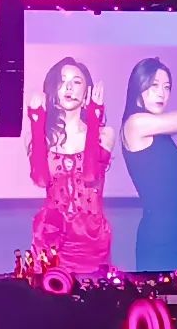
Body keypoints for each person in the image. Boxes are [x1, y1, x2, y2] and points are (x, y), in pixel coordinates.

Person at [26, 57, 115, 275]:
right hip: (51, 235)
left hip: (90, 238)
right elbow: (40, 179)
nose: (68, 87)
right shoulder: (40, 136)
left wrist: (94, 119)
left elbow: (90, 175)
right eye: (62, 81)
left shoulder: (104, 134)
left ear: (87, 93)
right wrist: (37, 122)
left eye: (76, 82)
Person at [119, 57, 177, 271]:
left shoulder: (158, 131)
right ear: (138, 86)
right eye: (154, 85)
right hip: (160, 235)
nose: (161, 93)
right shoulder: (136, 123)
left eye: (167, 87)